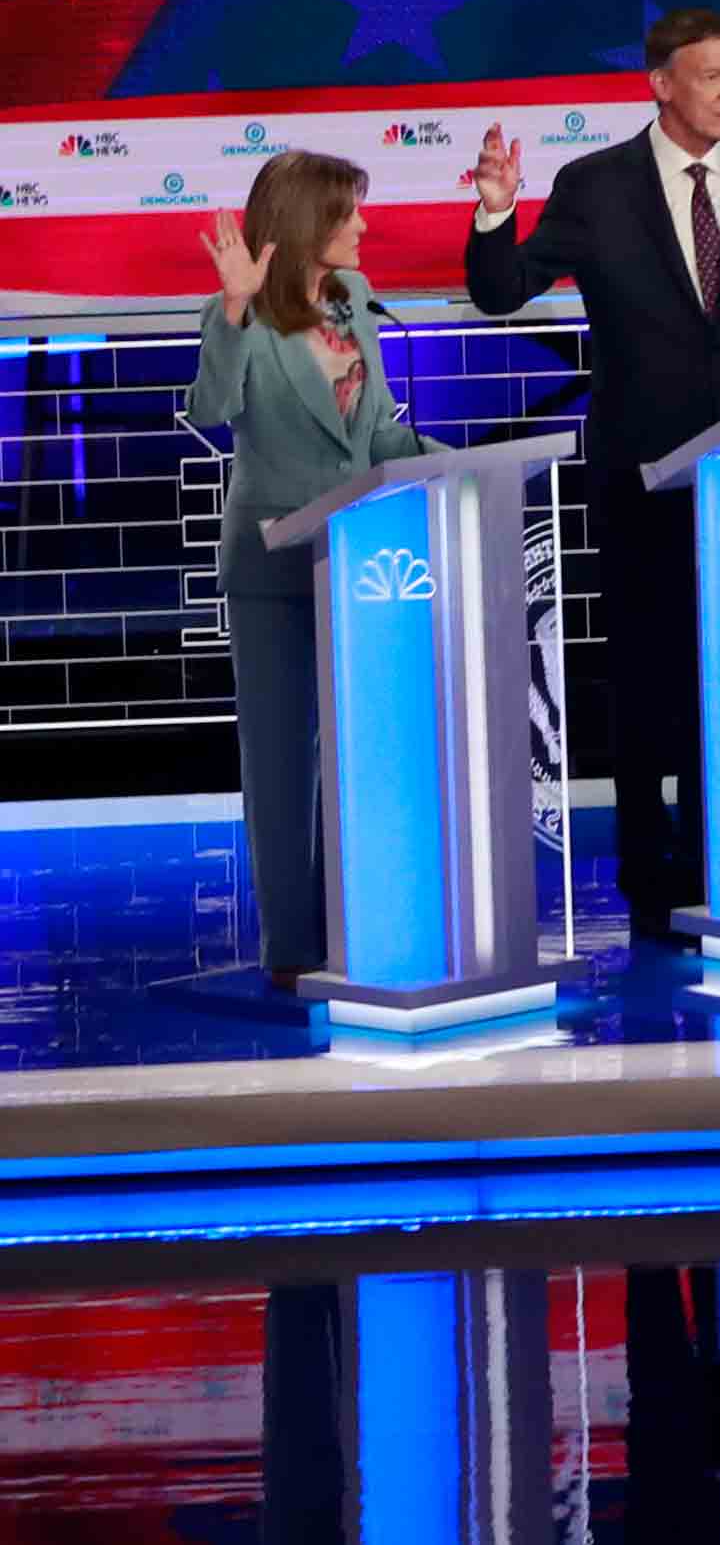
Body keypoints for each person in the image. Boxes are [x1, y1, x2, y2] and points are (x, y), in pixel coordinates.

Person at [468, 9, 720, 925]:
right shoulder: (595, 185)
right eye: (712, 77)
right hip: (636, 473)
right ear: (661, 83)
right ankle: (645, 867)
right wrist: (496, 211)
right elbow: (501, 291)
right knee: (645, 676)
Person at [188, 152, 433, 989]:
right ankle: (292, 947)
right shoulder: (243, 313)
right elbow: (208, 410)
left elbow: (378, 437)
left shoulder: (355, 305)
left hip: (356, 560)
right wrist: (231, 305)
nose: (363, 227)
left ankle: (350, 930)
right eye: (348, 214)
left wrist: (459, 461)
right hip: (271, 564)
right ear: (309, 221)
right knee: (284, 761)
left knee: (356, 754)